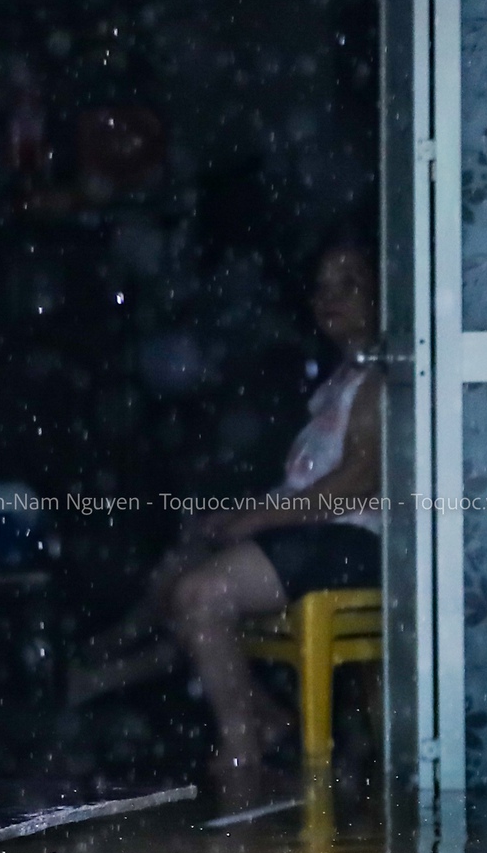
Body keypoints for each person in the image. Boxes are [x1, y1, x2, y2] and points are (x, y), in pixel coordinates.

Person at [67, 231, 384, 790]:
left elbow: (352, 489)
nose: (329, 297)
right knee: (182, 563)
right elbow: (299, 485)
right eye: (321, 287)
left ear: (383, 296)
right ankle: (262, 715)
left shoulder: (382, 379)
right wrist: (234, 516)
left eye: (349, 285)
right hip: (316, 533)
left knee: (200, 594)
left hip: (351, 541)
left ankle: (244, 746)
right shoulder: (340, 382)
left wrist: (254, 521)